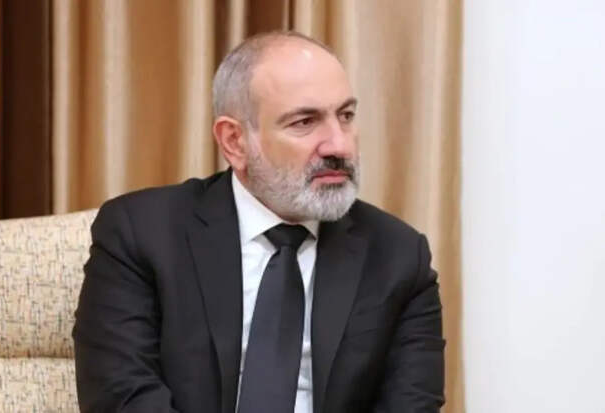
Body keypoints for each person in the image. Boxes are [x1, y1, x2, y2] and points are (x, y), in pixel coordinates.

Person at [73, 31, 445, 413]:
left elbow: (412, 405)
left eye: (346, 116)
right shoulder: (142, 233)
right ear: (234, 141)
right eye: (304, 122)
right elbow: (122, 396)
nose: (340, 145)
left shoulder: (399, 256)